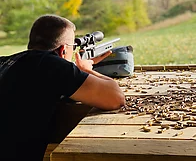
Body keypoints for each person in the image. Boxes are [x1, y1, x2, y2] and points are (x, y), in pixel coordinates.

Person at [0, 14, 125, 161]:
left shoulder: (5, 62)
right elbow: (115, 98)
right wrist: (86, 71)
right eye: (73, 47)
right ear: (63, 50)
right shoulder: (50, 65)